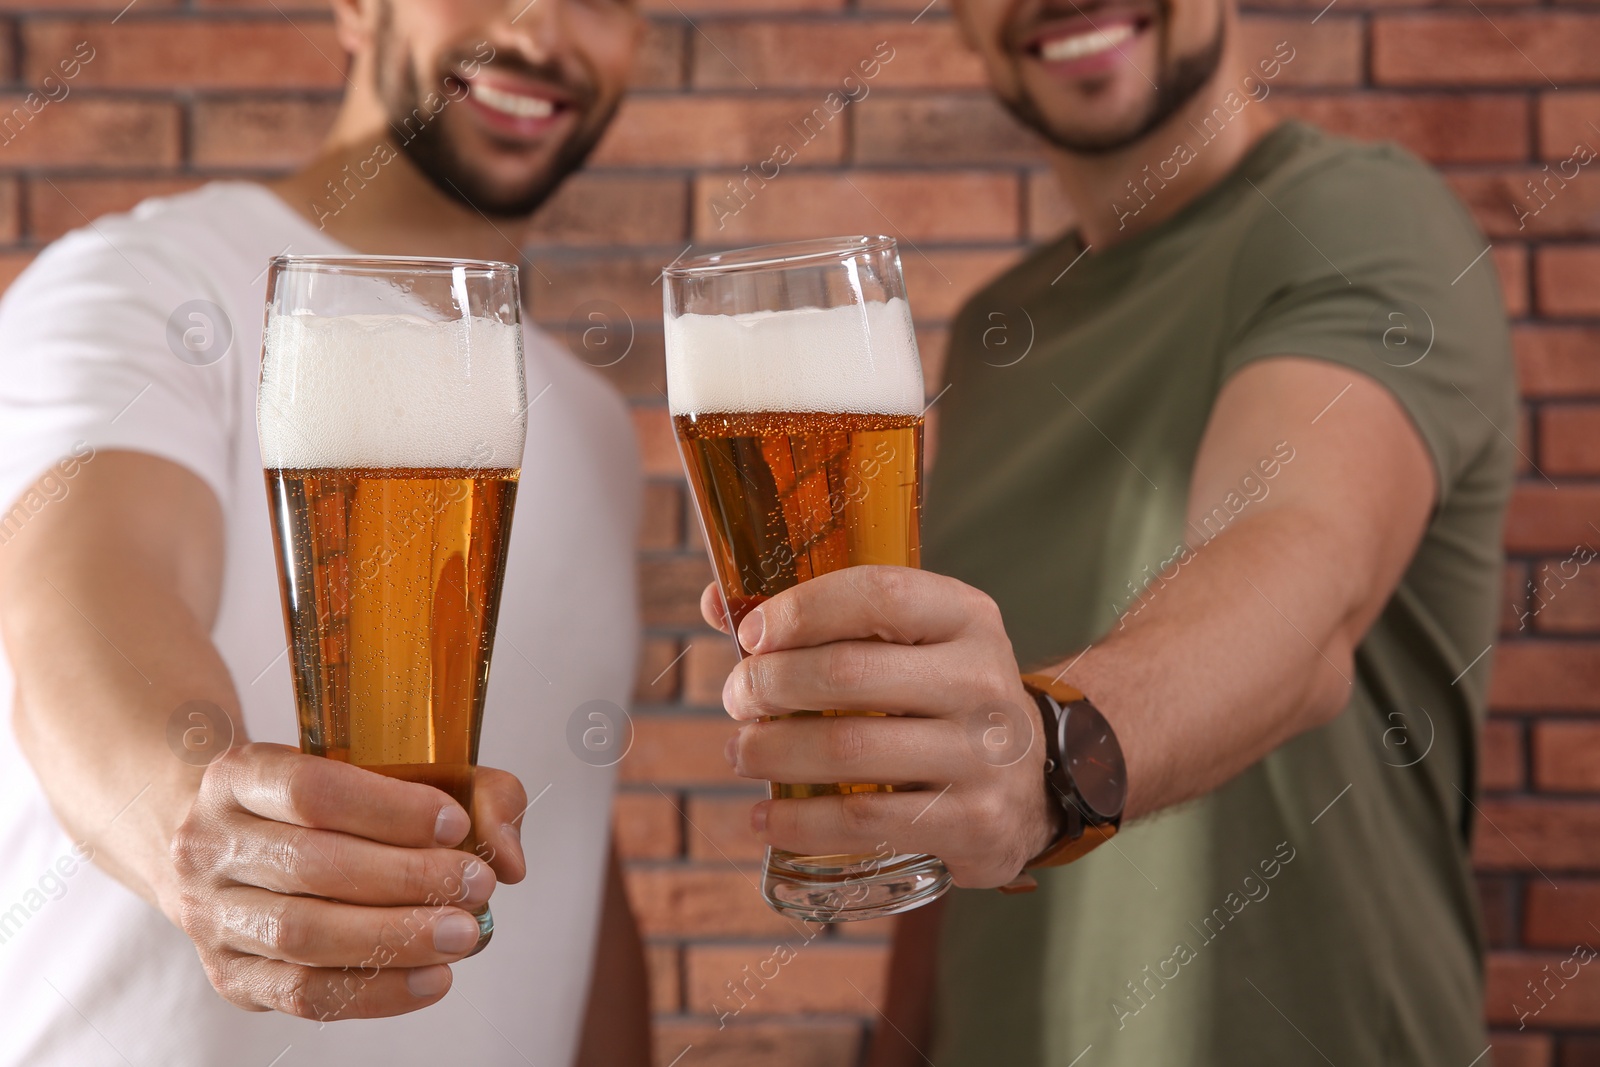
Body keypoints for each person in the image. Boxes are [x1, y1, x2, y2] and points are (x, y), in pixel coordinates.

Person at [700, 0, 1515, 1063]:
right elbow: (961, 781)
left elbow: (1301, 567)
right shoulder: (986, 339)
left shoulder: (1362, 218)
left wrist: (1047, 756)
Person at [0, 1, 651, 1064]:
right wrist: (194, 827)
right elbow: (80, 606)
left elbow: (573, 854)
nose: (540, 31)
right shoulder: (146, 282)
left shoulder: (579, 417)